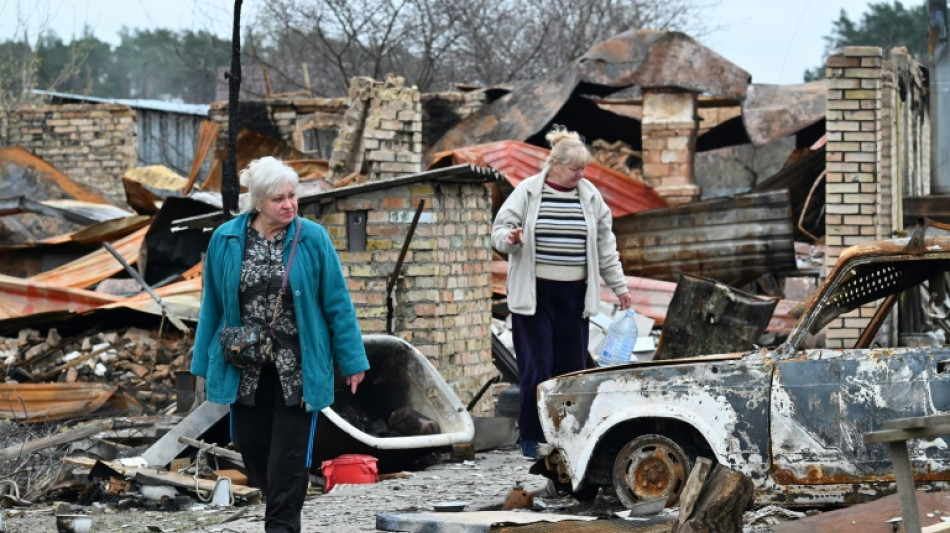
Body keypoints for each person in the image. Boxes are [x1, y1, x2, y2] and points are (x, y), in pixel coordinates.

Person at [191, 156, 369, 533]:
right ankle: (283, 505)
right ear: (257, 202)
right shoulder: (225, 239)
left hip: (298, 369)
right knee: (249, 443)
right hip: (246, 368)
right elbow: (213, 307)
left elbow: (337, 301)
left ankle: (281, 524)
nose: (288, 205)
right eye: (278, 199)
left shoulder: (312, 238)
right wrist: (202, 366)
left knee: (289, 457)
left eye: (292, 196)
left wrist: (352, 359)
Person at [491, 125, 634, 459]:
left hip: (574, 296)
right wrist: (510, 239)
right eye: (574, 169)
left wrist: (621, 288)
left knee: (571, 370)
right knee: (537, 367)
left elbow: (606, 246)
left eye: (584, 169)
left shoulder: (590, 197)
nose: (580, 175)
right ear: (554, 165)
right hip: (535, 295)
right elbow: (498, 232)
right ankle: (530, 436)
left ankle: (569, 438)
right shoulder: (527, 192)